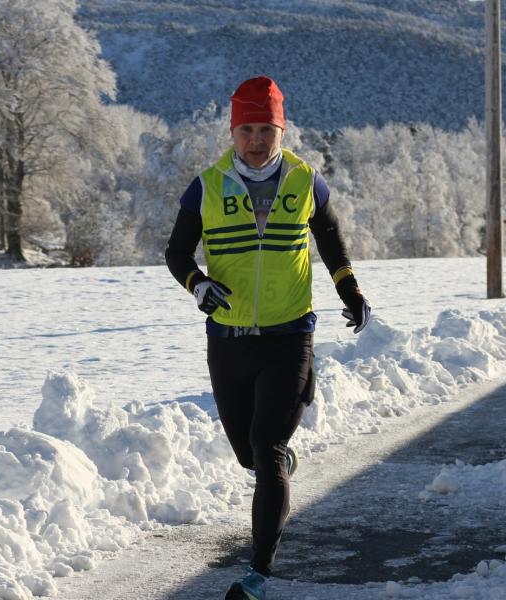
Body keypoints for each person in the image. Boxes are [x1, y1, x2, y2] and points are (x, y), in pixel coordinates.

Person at [164, 75, 370, 600]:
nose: (257, 140)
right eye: (247, 129)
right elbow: (177, 253)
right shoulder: (206, 186)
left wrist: (349, 289)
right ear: (233, 132)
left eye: (267, 129)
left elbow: (329, 238)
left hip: (289, 335)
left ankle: (258, 572)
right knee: (246, 452)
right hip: (229, 341)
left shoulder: (306, 181)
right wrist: (198, 283)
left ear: (282, 129)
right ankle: (273, 462)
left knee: (267, 444)